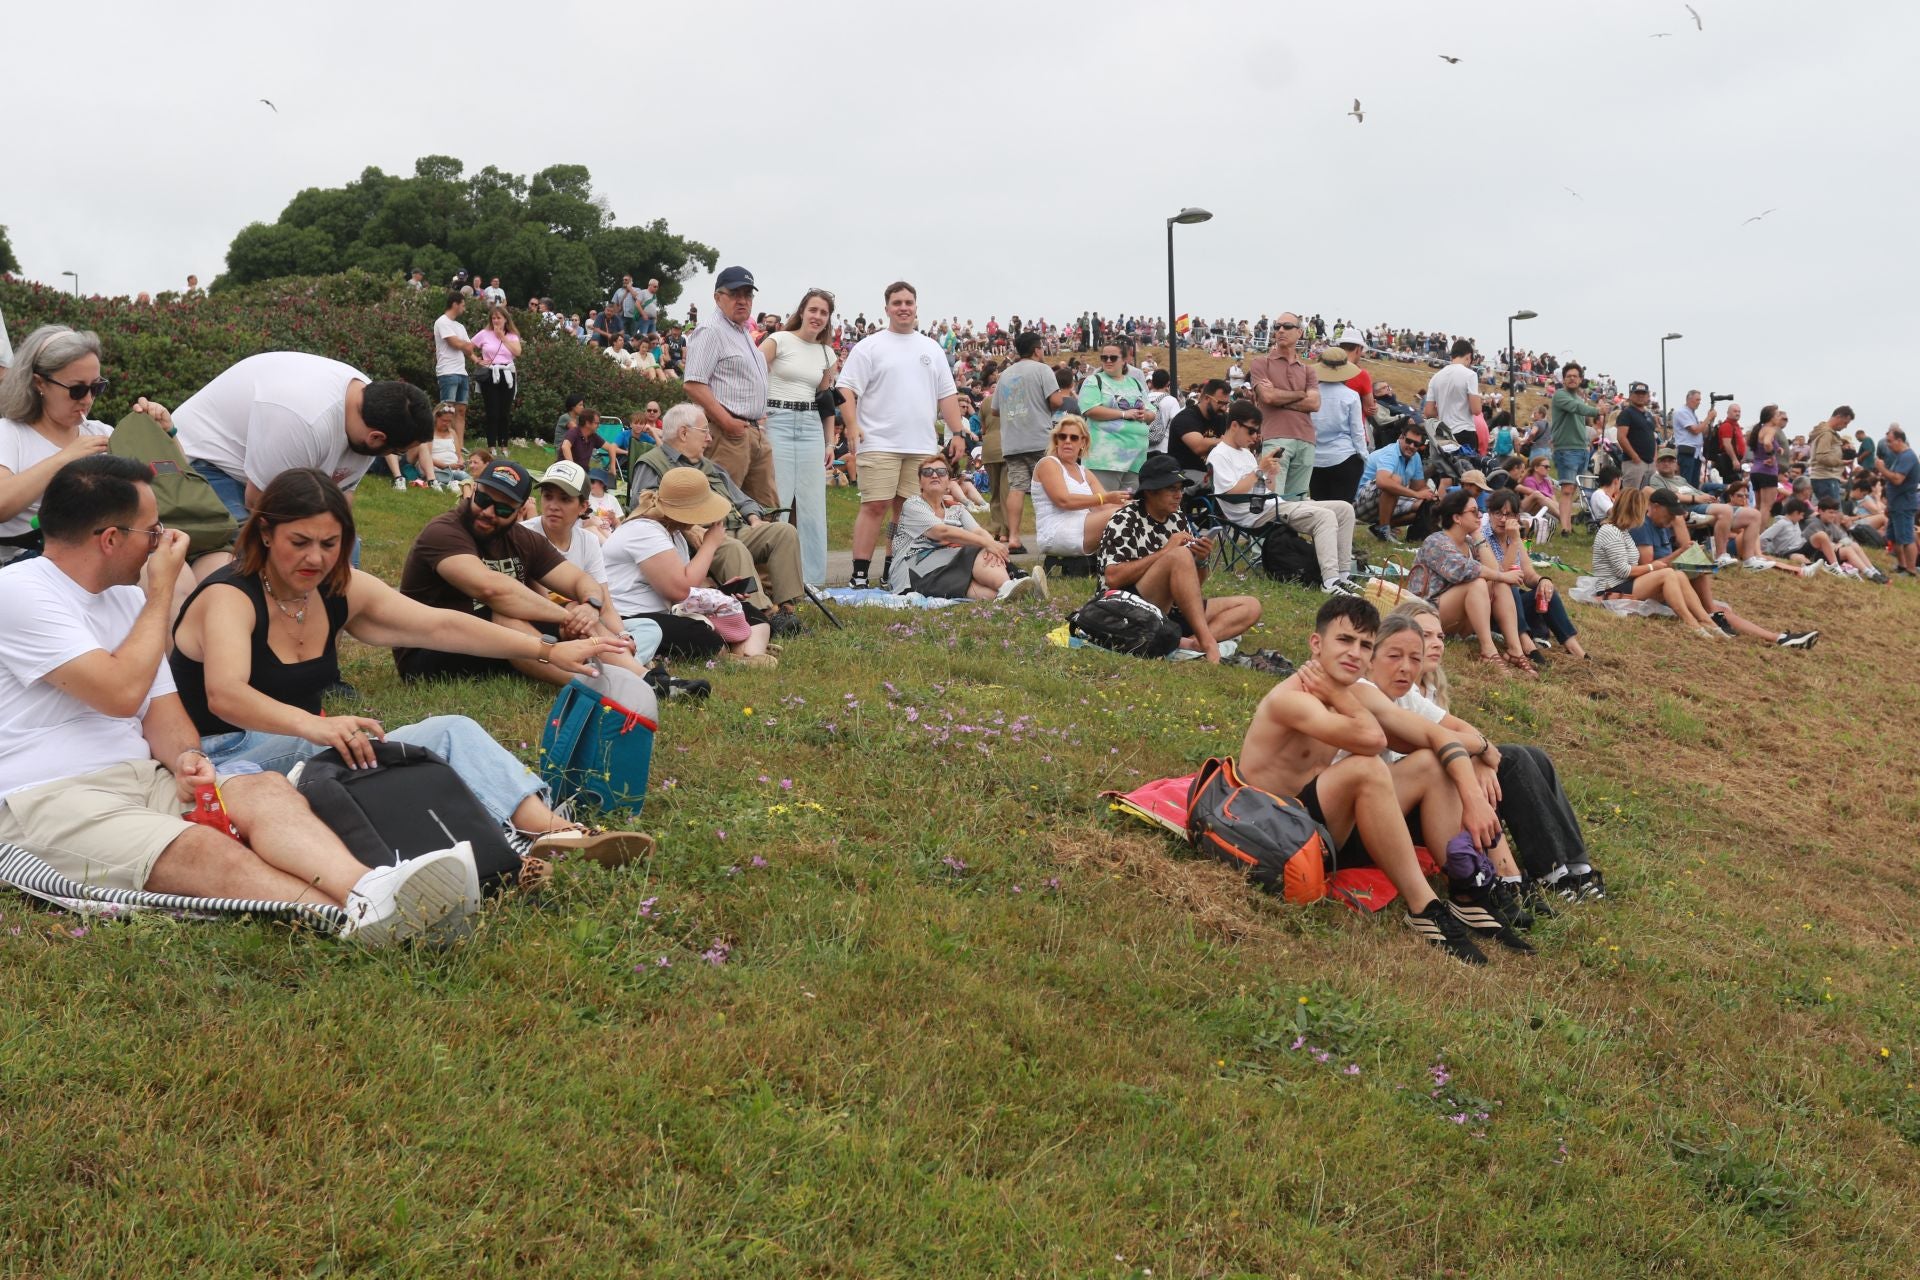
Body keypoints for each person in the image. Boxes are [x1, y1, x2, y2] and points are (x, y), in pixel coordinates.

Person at [0, 455, 477, 945]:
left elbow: (161, 707)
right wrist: (162, 592)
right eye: (153, 530)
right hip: (46, 795)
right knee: (203, 849)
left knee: (265, 790)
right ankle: (355, 919)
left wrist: (187, 757)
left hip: (141, 777)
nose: (163, 541)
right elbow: (120, 693)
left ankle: (369, 886)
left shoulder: (122, 599)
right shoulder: (19, 592)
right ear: (110, 539)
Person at [169, 468, 650, 866]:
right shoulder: (230, 595)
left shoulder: (338, 587)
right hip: (223, 757)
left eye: (331, 543)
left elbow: (440, 626)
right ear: (266, 533)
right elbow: (225, 694)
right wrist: (316, 726)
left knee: (452, 730)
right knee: (364, 758)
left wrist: (546, 651)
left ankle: (557, 834)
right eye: (300, 541)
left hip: (303, 743)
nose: (316, 557)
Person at [1236, 596, 1506, 965]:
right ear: (1317, 644)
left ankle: (1464, 888)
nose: (1355, 653)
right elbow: (1373, 740)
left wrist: (1475, 791)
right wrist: (1335, 694)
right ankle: (1423, 907)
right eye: (1344, 640)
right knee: (1367, 766)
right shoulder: (1292, 699)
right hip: (1274, 832)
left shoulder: (1357, 693)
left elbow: (1438, 736)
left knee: (1430, 762)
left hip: (1326, 829)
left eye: (1365, 645)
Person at [1379, 604, 1602, 905]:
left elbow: (1462, 734)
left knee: (1534, 757)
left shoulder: (1425, 690)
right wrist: (1478, 755)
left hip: (1431, 787)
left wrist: (1479, 755)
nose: (1433, 644)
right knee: (1511, 762)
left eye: (1439, 636)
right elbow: (1438, 742)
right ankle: (1550, 872)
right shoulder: (1389, 691)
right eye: (1423, 636)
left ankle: (1575, 863)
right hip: (1416, 801)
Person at [393, 459, 646, 682]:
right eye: (483, 499)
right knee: (505, 615)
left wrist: (589, 605)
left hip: (490, 642)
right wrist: (564, 617)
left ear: (519, 510)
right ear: (473, 492)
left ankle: (647, 679)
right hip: (428, 650)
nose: (488, 512)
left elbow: (580, 579)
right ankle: (591, 686)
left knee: (576, 615)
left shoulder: (524, 539)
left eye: (503, 509)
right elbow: (491, 590)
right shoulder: (444, 531)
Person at [172, 352, 434, 523]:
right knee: (240, 543)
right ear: (377, 438)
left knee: (343, 552)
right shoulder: (304, 418)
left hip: (261, 472)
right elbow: (260, 504)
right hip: (208, 462)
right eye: (397, 451)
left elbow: (341, 498)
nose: (394, 456)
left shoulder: (372, 412)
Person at [836, 282, 969, 588]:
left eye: (909, 302)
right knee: (875, 506)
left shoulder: (931, 348)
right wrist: (852, 425)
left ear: (916, 307)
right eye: (897, 302)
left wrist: (958, 432)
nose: (903, 307)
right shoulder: (870, 346)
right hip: (879, 442)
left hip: (921, 444)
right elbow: (846, 388)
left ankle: (891, 570)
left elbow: (947, 396)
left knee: (907, 511)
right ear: (887, 309)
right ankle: (859, 574)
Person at [628, 404, 805, 622]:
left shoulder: (710, 466)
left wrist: (754, 518)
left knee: (783, 532)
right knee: (732, 547)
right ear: (684, 433)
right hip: (695, 538)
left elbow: (743, 499)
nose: (710, 439)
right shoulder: (653, 463)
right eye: (705, 432)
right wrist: (690, 528)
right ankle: (761, 615)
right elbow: (643, 507)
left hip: (736, 527)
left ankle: (787, 611)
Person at [1096, 454, 1261, 663]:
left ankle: (1192, 643)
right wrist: (1166, 553)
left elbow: (1190, 587)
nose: (1179, 495)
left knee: (1251, 606)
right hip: (1125, 611)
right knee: (1179, 555)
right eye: (1172, 489)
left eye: (1180, 488)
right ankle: (1208, 642)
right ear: (1150, 491)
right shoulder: (1124, 519)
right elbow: (1113, 578)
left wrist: (1200, 559)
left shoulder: (1177, 517)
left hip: (1170, 609)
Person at [603, 468, 775, 665]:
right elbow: (679, 591)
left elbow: (688, 587)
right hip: (631, 618)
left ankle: (747, 657)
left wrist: (720, 593)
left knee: (748, 611)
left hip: (665, 612)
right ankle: (738, 656)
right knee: (699, 635)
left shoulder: (674, 533)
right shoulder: (644, 531)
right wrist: (710, 545)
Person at [1637, 490, 1821, 644]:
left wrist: (1687, 550)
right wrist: (1681, 553)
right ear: (1654, 507)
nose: (1673, 518)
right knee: (1712, 602)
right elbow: (1649, 567)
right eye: (1669, 513)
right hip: (1661, 583)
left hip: (1672, 581)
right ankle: (1714, 617)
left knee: (1718, 604)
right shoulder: (1644, 527)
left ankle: (1779, 638)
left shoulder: (1661, 525)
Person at [1404, 490, 1539, 674]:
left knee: (1499, 583)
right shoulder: (1436, 541)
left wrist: (1477, 536)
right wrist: (1501, 575)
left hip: (1457, 618)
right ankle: (1488, 651)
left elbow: (1495, 571)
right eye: (1474, 511)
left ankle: (1515, 649)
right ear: (1457, 517)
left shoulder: (1469, 542)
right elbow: (1464, 571)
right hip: (1426, 614)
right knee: (1478, 582)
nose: (1480, 515)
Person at [759, 288, 839, 590]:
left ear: (828, 318)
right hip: (777, 420)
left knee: (812, 505)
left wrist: (830, 442)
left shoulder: (827, 353)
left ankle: (812, 581)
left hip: (809, 426)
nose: (817, 316)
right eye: (813, 310)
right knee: (777, 501)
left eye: (824, 313)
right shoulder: (778, 339)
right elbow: (754, 374)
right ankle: (772, 579)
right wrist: (758, 415)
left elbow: (825, 400)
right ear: (802, 311)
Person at [683, 265, 778, 512]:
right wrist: (726, 421)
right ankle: (720, 552)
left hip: (752, 431)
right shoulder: (711, 330)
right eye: (735, 294)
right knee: (720, 510)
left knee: (765, 509)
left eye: (748, 295)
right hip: (727, 433)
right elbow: (693, 383)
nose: (743, 301)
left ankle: (753, 551)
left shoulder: (741, 331)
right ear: (717, 297)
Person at [889, 455, 1046, 601]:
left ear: (949, 481)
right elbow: (941, 532)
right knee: (977, 547)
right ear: (920, 482)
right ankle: (1011, 582)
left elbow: (977, 531)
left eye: (941, 472)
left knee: (979, 583)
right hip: (912, 572)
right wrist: (986, 544)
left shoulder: (955, 508)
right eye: (927, 472)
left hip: (945, 567)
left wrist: (992, 545)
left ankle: (1015, 593)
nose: (934, 475)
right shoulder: (913, 505)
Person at [1589, 488, 1728, 637]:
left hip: (1623, 584)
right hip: (1610, 590)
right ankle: (1691, 623)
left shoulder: (1621, 531)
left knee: (1679, 575)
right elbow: (1623, 571)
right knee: (1667, 574)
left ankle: (1706, 620)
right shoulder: (1610, 531)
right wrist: (1651, 567)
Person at [1483, 490, 1586, 658]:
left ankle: (1573, 646)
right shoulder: (1483, 538)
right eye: (1497, 513)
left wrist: (1543, 580)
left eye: (1508, 514)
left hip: (1514, 605)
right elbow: (1499, 575)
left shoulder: (1513, 538)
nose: (1502, 519)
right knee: (1509, 586)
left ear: (1516, 517)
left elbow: (1529, 575)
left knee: (1546, 590)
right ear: (1489, 513)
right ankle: (1526, 644)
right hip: (1492, 606)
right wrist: (1515, 541)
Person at [996, 331, 1070, 552]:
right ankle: (1057, 534)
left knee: (1017, 488)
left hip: (1012, 441)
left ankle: (1014, 538)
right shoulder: (1043, 370)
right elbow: (1056, 400)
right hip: (1039, 439)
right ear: (1037, 349)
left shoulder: (1006, 374)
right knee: (1052, 487)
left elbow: (995, 410)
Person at [1244, 311, 1320, 500]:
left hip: (1306, 439)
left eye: (1287, 326)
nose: (1281, 330)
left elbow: (1315, 403)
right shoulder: (1261, 363)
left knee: (1298, 506)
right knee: (1273, 502)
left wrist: (1279, 396)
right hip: (1275, 437)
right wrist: (1300, 394)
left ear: (1299, 332)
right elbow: (1268, 397)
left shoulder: (1308, 370)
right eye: (1277, 327)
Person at [1031, 414, 1127, 557]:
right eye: (1062, 437)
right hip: (1056, 531)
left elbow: (1104, 506)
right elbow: (1064, 500)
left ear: (1083, 442)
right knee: (1120, 516)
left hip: (1081, 526)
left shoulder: (1084, 472)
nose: (1067, 441)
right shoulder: (1048, 463)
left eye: (1074, 437)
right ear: (1056, 441)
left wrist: (1134, 505)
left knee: (1133, 513)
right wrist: (1105, 498)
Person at [1077, 342, 1153, 493]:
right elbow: (1090, 409)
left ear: (1124, 360)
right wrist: (1124, 413)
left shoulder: (1135, 383)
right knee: (1104, 507)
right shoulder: (1094, 381)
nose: (1108, 361)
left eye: (1113, 357)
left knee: (1127, 508)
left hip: (1135, 460)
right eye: (1104, 357)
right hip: (1104, 460)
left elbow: (1152, 412)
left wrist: (1145, 414)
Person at [1547, 363, 1604, 539]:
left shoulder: (1579, 398)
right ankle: (1565, 529)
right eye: (1568, 375)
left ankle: (1568, 524)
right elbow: (1576, 408)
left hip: (1581, 449)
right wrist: (1597, 410)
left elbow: (1581, 420)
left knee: (1572, 490)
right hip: (1566, 449)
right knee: (1567, 488)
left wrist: (1587, 443)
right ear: (1563, 379)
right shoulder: (1560, 396)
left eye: (1575, 376)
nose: (1572, 378)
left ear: (1580, 379)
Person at [1309, 347, 1371, 504]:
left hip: (1316, 459)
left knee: (1321, 511)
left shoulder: (1311, 394)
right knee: (1343, 510)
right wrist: (1364, 457)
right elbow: (1357, 432)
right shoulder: (1351, 395)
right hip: (1344, 457)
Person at [1356, 421, 1437, 542]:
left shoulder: (1415, 457)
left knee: (1425, 505)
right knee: (1394, 480)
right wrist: (1416, 494)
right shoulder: (1390, 453)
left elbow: (1419, 487)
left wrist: (1433, 496)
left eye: (1416, 444)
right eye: (1409, 441)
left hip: (1384, 500)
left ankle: (1379, 528)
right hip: (1359, 503)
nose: (1412, 446)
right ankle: (1384, 531)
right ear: (1401, 437)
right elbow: (1382, 482)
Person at [471, 305, 522, 451]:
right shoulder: (484, 333)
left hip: (507, 373)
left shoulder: (512, 336)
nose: (496, 321)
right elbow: (468, 347)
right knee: (492, 411)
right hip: (490, 372)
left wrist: (503, 337)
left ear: (505, 319)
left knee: (504, 412)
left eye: (499, 318)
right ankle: (491, 444)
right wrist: (477, 359)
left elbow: (517, 352)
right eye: (493, 318)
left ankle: (504, 444)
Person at [1422, 338, 1481, 461]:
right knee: (1466, 474)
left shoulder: (1436, 377)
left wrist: (1444, 407)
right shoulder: (1470, 375)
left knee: (1447, 475)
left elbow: (1428, 412)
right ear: (1468, 356)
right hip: (1464, 430)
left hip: (1444, 434)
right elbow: (1476, 410)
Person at [431, 294, 476, 454]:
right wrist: (465, 345)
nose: (464, 307)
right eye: (463, 304)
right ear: (455, 304)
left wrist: (476, 359)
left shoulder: (460, 326)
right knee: (446, 409)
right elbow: (455, 343)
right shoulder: (442, 322)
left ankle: (459, 445)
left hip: (461, 372)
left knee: (461, 410)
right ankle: (442, 442)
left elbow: (469, 349)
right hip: (447, 372)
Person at [1168, 379, 1229, 485]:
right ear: (1206, 398)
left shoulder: (1220, 417)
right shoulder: (1185, 418)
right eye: (1220, 403)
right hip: (1184, 474)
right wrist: (1225, 442)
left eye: (1226, 404)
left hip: (1210, 472)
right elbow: (1199, 447)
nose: (1224, 408)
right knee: (1221, 485)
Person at [1615, 380, 1659, 491]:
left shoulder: (1648, 415)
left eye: (1643, 393)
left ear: (1647, 396)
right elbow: (1621, 437)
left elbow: (1652, 437)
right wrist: (1635, 457)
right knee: (1630, 496)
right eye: (1637, 393)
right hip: (1633, 463)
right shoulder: (1627, 413)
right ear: (1630, 395)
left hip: (1649, 463)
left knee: (1646, 498)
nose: (1640, 396)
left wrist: (1654, 458)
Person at [1808, 406, 1854, 505]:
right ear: (1838, 417)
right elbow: (1822, 457)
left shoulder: (1823, 432)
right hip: (1826, 479)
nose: (1845, 426)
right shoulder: (1827, 434)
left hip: (1822, 478)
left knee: (1827, 513)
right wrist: (1841, 462)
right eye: (1845, 422)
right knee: (1834, 514)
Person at [1748, 404, 1786, 524]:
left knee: (1758, 506)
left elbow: (1763, 443)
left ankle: (1751, 531)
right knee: (1766, 507)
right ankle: (1760, 535)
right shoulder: (1770, 429)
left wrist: (1778, 448)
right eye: (1777, 415)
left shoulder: (1759, 429)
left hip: (1756, 470)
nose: (1779, 417)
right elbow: (1767, 443)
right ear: (1771, 417)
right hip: (1767, 471)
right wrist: (1771, 455)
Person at [1670, 389, 1716, 488]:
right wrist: (1708, 417)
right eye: (1697, 400)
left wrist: (1711, 420)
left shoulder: (1692, 414)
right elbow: (1695, 430)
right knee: (1686, 483)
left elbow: (1703, 431)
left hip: (1696, 453)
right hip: (1687, 452)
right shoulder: (1681, 412)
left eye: (1699, 400)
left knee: (1694, 484)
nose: (1699, 402)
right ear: (1689, 399)